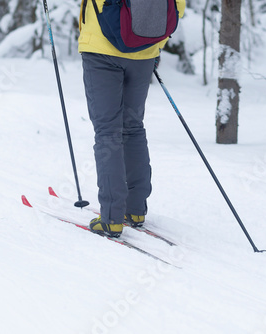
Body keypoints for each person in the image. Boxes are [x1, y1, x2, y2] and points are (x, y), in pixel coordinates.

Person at [78, 0, 185, 237]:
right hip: (144, 52)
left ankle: (111, 218)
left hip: (100, 49)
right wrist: (155, 43)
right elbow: (177, 6)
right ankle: (135, 209)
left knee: (108, 132)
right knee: (133, 128)